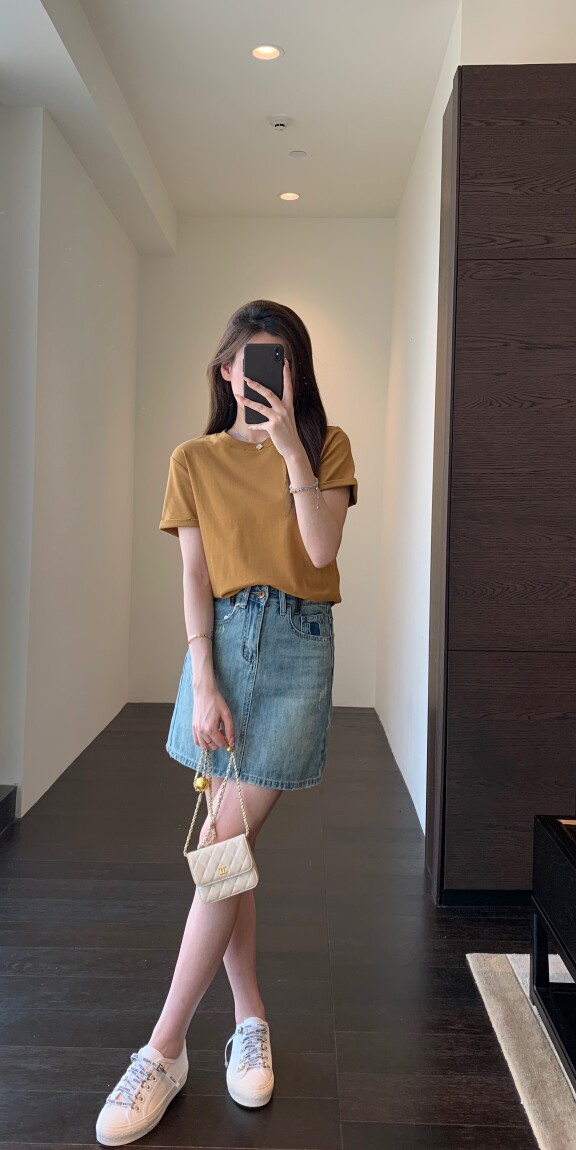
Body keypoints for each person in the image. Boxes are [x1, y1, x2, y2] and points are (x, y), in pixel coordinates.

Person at [95, 300, 358, 1146]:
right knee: (226, 848)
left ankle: (164, 1047)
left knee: (224, 843)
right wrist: (202, 678)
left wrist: (289, 451)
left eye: (283, 361)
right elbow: (193, 576)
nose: (268, 375)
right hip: (222, 650)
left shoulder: (325, 446)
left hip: (296, 650)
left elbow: (321, 551)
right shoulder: (193, 459)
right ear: (226, 370)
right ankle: (249, 1018)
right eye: (254, 360)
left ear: (297, 373)